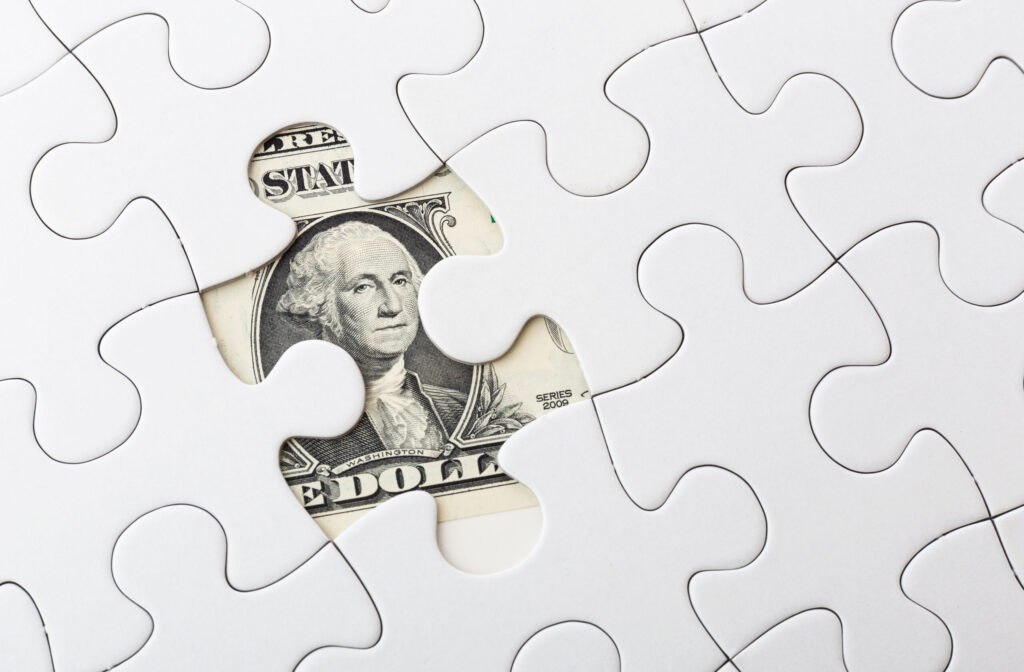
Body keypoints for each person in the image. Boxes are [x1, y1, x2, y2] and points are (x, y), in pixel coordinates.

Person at [277, 221, 467, 470]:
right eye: (363, 287)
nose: (393, 307)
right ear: (320, 304)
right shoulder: (297, 428)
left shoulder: (459, 408)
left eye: (400, 281)